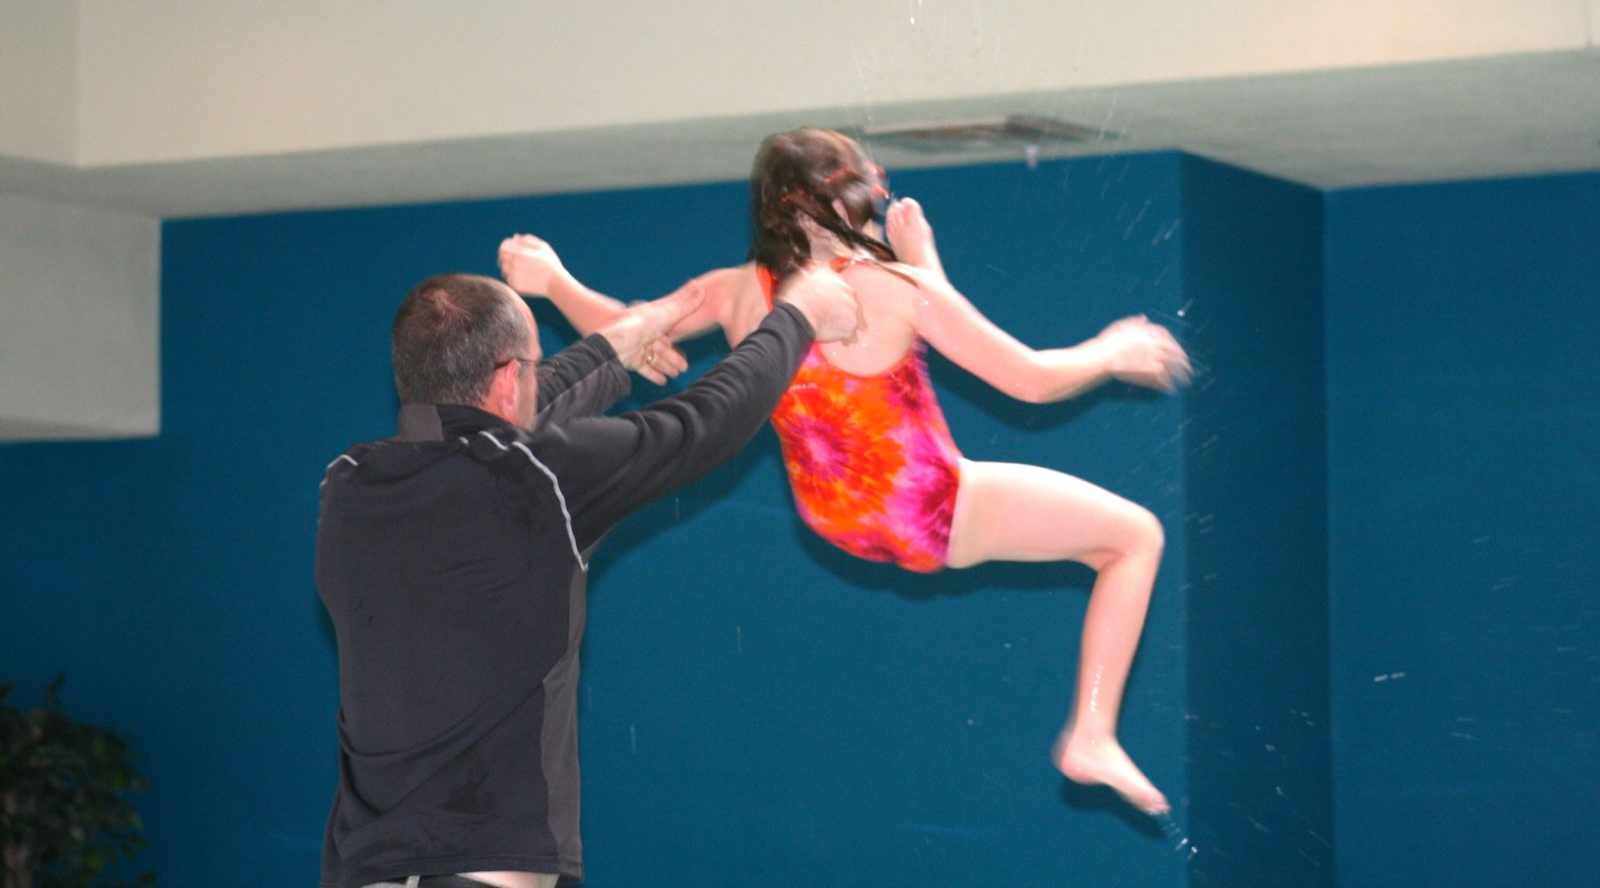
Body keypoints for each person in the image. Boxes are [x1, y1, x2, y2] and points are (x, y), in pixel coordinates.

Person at [498, 126, 1192, 817]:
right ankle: (1092, 734)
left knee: (1103, 543)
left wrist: (555, 281)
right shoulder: (897, 288)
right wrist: (1111, 353)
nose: (878, 203)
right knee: (1134, 538)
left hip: (834, 517)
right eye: (869, 190)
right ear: (829, 205)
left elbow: (629, 328)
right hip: (930, 507)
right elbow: (1031, 380)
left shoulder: (740, 291)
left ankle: (1095, 737)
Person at [316, 266, 862, 888]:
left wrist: (618, 346)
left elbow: (485, 426)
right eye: (531, 364)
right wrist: (797, 315)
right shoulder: (539, 479)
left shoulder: (349, 484)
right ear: (508, 378)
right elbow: (707, 419)